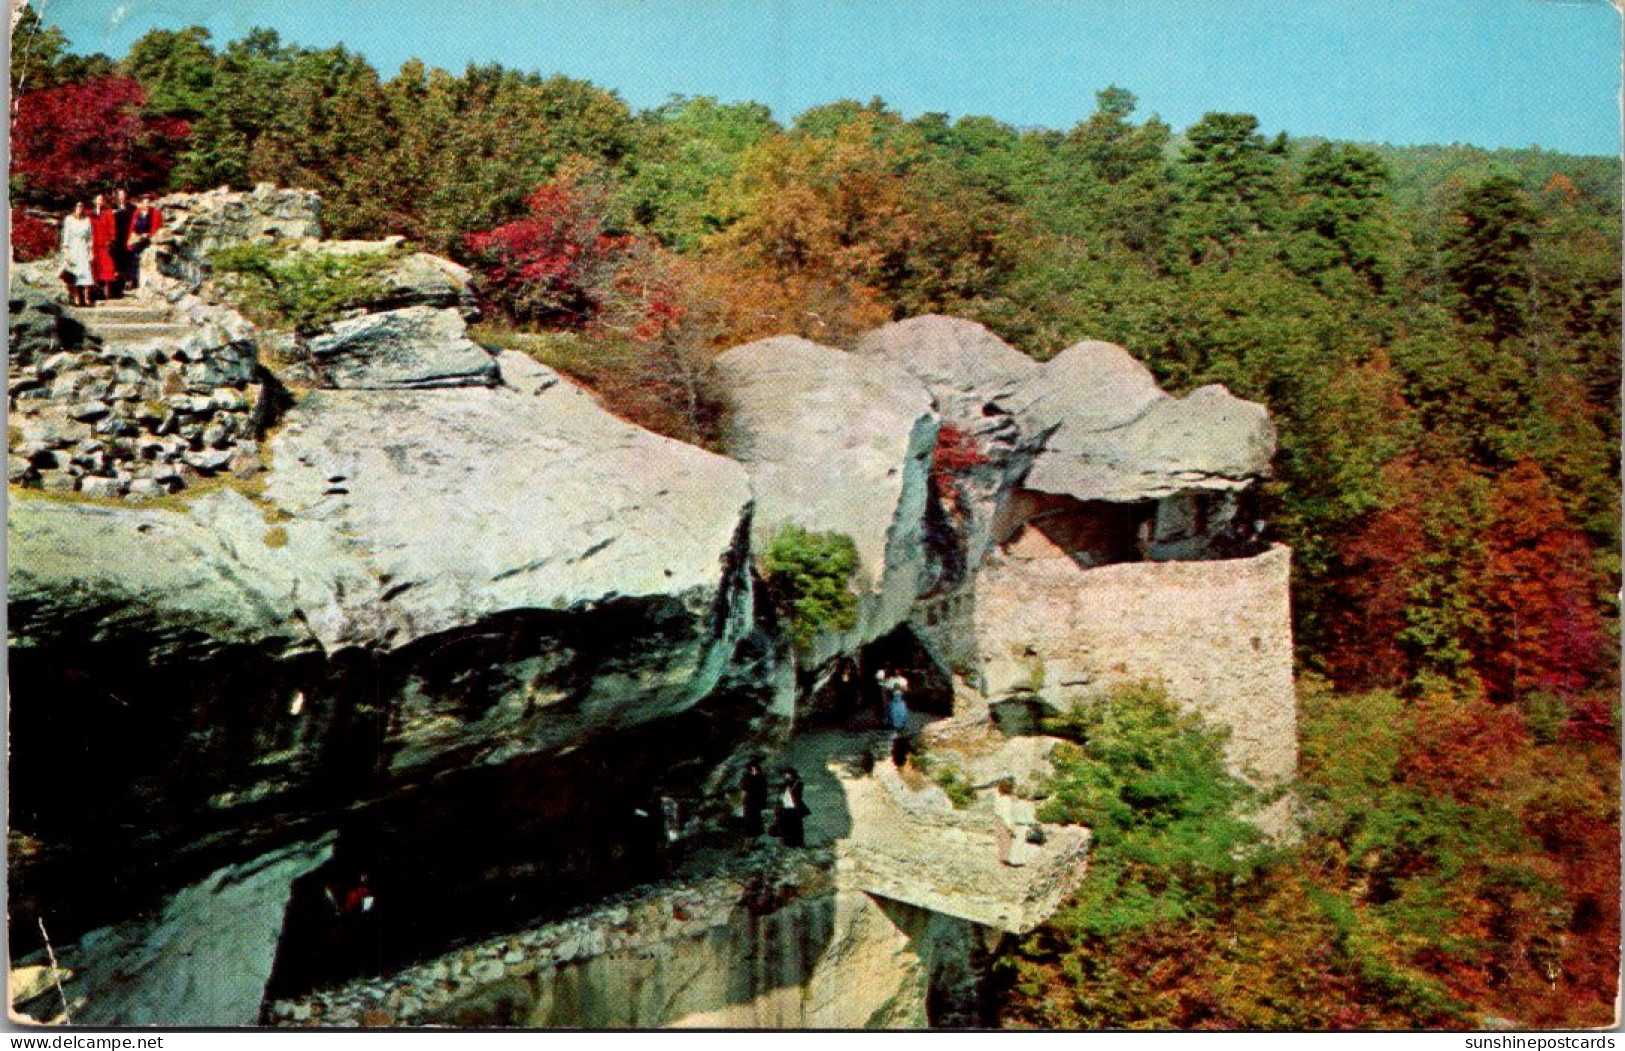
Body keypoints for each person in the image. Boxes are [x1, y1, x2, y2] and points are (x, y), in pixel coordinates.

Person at [993, 780, 1037, 868]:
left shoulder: (1014, 803)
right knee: (1021, 843)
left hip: (1016, 824)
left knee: (1014, 842)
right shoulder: (1027, 804)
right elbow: (1031, 816)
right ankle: (1018, 860)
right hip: (1023, 825)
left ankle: (1011, 859)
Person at [59, 202, 94, 307]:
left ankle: (87, 298)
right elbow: (66, 237)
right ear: (74, 208)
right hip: (73, 248)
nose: (79, 208)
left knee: (86, 273)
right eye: (77, 206)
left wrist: (90, 251)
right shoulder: (69, 219)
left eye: (81, 206)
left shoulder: (87, 220)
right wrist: (66, 254)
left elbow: (90, 237)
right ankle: (77, 298)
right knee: (74, 274)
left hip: (83, 248)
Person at [128, 193, 162, 290]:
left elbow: (156, 228)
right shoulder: (137, 212)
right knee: (131, 251)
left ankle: (133, 279)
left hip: (148, 238)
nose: (146, 204)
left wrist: (146, 235)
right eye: (144, 202)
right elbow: (132, 227)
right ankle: (132, 279)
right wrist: (132, 237)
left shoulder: (155, 212)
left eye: (148, 202)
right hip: (137, 237)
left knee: (134, 251)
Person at [88, 193, 118, 302]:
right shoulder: (90, 213)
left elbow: (112, 227)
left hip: (104, 243)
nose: (100, 201)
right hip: (93, 243)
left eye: (102, 199)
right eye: (98, 199)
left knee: (107, 267)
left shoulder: (108, 212)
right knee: (93, 266)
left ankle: (107, 291)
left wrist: (110, 240)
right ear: (94, 200)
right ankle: (94, 291)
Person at [775, 769, 810, 848]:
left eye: (788, 774)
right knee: (786, 826)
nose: (786, 776)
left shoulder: (798, 783)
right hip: (786, 807)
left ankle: (797, 843)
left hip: (794, 808)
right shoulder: (785, 784)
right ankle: (788, 843)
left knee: (796, 827)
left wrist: (789, 788)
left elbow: (797, 794)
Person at [110, 188, 135, 297]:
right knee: (116, 263)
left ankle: (128, 283)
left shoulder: (132, 208)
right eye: (120, 195)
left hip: (128, 237)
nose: (122, 197)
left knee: (127, 261)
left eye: (123, 195)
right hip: (116, 238)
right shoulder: (112, 208)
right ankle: (116, 288)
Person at [740, 758, 768, 838]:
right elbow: (744, 786)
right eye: (753, 769)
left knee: (755, 822)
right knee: (749, 821)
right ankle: (749, 841)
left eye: (755, 768)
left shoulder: (760, 778)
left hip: (755, 802)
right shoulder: (747, 777)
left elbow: (763, 791)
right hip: (749, 802)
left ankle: (752, 841)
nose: (755, 770)